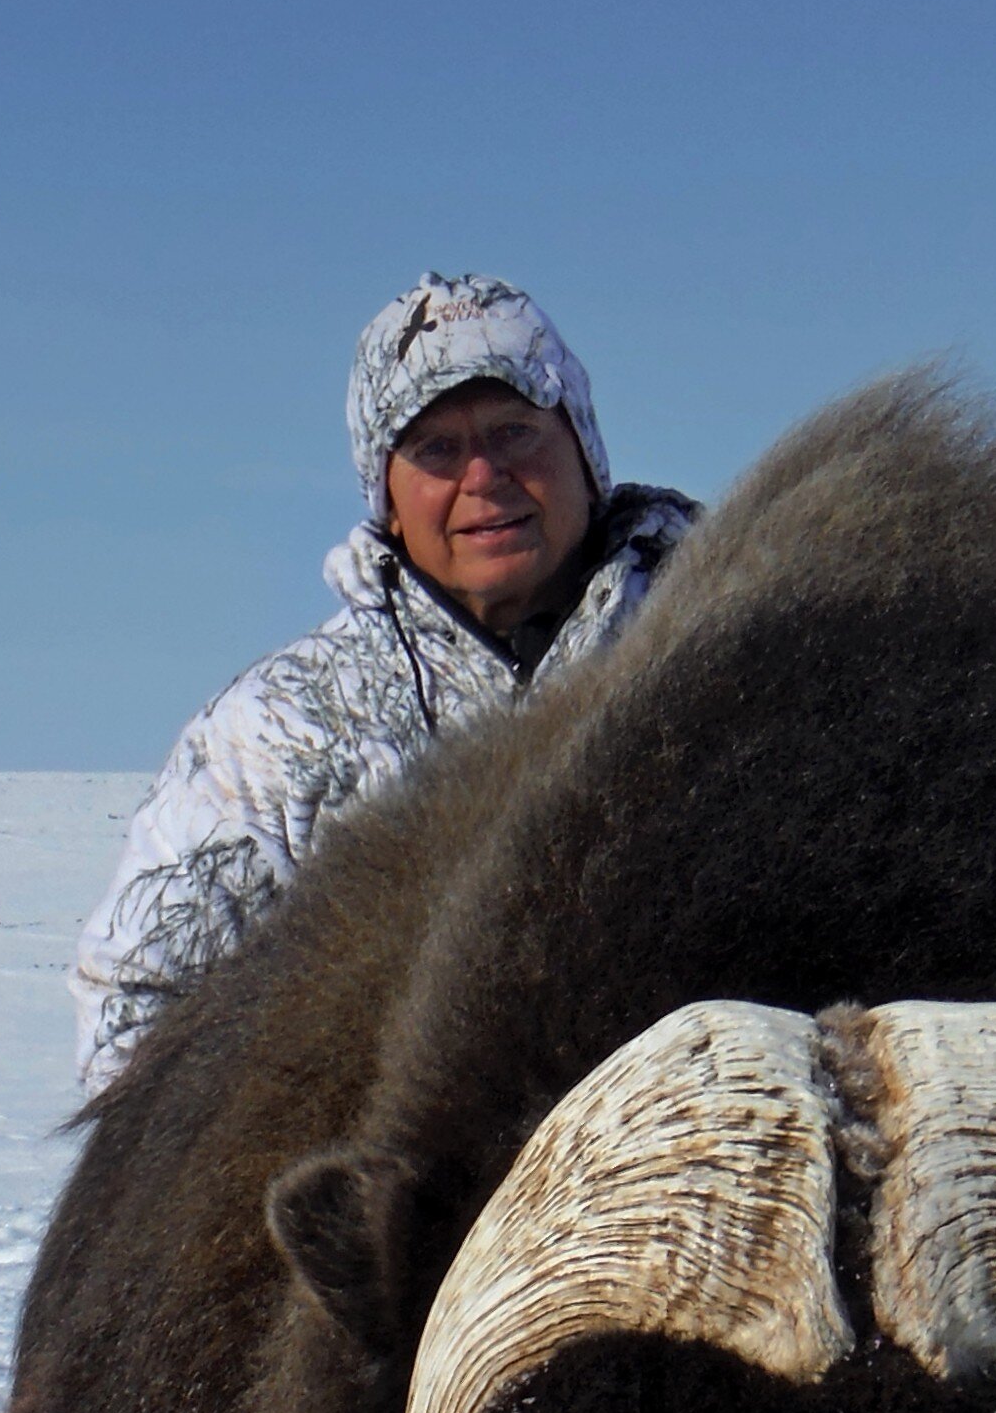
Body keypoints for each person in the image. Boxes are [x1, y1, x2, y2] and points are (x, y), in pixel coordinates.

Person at [70, 271, 698, 1093]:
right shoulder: (272, 736)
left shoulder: (727, 640)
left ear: (583, 451)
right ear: (388, 499)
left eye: (515, 431)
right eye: (436, 449)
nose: (483, 477)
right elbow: (135, 1014)